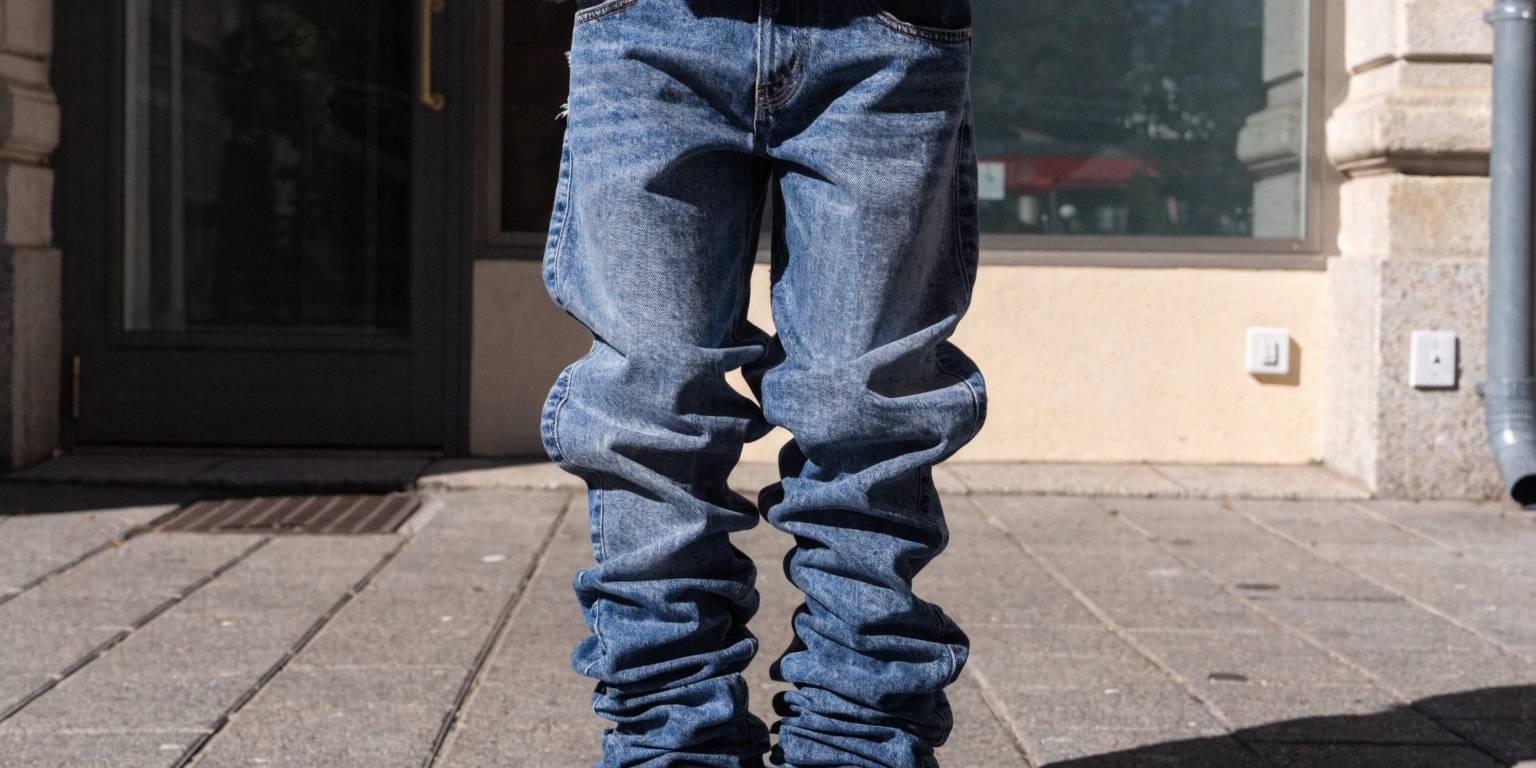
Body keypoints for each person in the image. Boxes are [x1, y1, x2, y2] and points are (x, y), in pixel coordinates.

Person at [540, 1, 985, 765]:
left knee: (866, 420)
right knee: (652, 417)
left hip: (887, 29)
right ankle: (674, 752)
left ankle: (857, 751)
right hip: (649, 22)